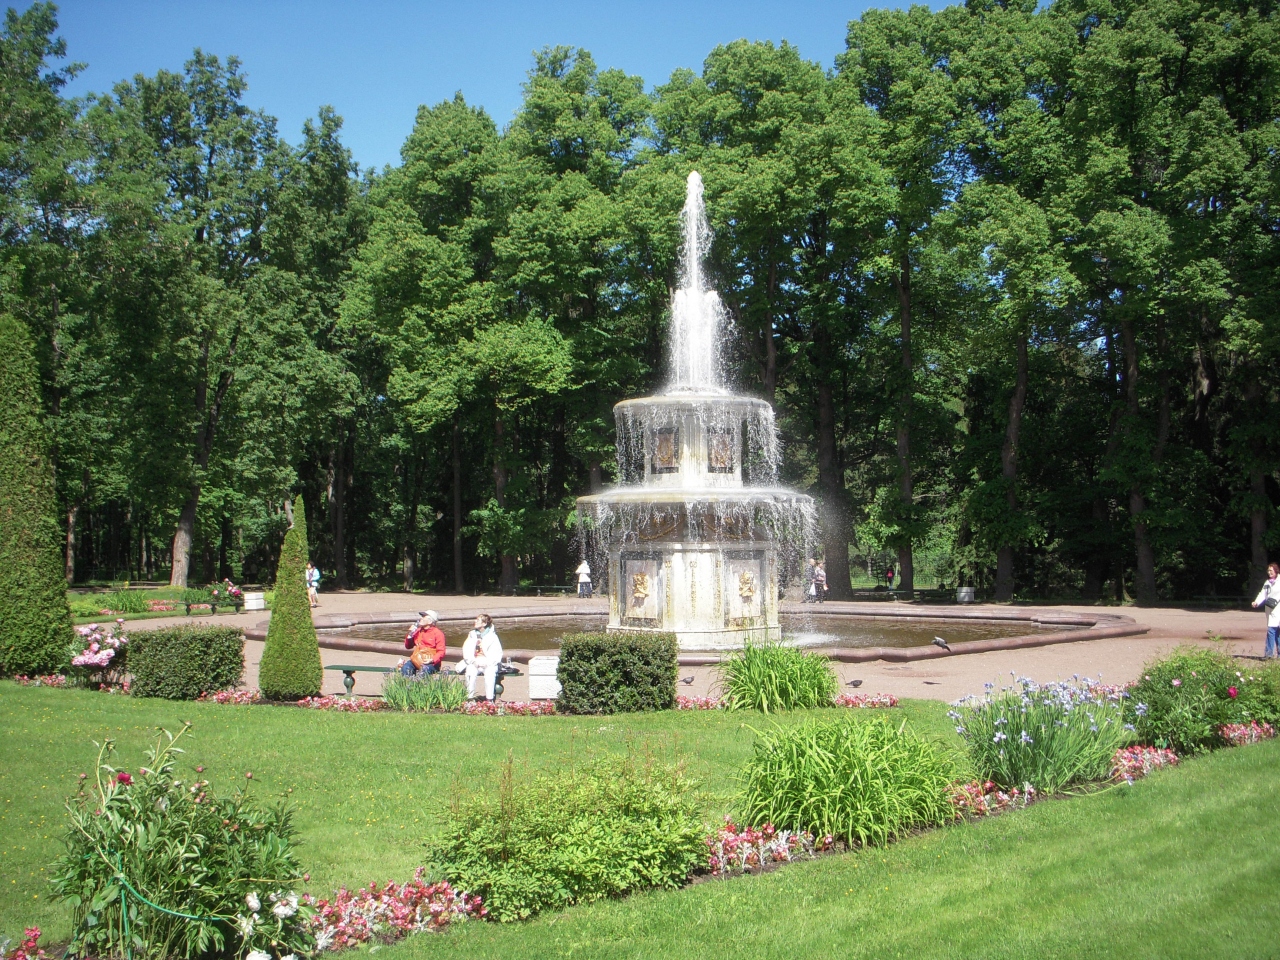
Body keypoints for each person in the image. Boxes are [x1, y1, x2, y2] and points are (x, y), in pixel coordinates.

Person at [457, 613, 503, 700]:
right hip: (474, 661)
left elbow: (497, 653)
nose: (475, 621)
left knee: (490, 673)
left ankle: (489, 699)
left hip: (488, 662)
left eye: (478, 620)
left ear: (484, 624)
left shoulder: (493, 636)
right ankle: (469, 698)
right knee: (470, 671)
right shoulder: (472, 634)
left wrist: (488, 663)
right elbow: (466, 650)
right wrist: (472, 661)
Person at [402, 610, 446, 677]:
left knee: (424, 671)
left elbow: (441, 651)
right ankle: (408, 683)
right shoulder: (418, 631)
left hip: (431, 662)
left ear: (430, 621)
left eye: (424, 617)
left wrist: (432, 660)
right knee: (406, 668)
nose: (421, 618)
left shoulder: (438, 633)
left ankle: (421, 684)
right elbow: (408, 646)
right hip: (417, 659)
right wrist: (410, 634)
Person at [1251, 563, 1280, 659]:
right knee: (1276, 631)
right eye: (1268, 570)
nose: (1269, 572)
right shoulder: (1267, 582)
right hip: (1269, 609)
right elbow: (1262, 594)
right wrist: (1256, 602)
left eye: (1271, 570)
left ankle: (1269, 654)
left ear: (1276, 571)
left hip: (1278, 609)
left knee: (1271, 630)